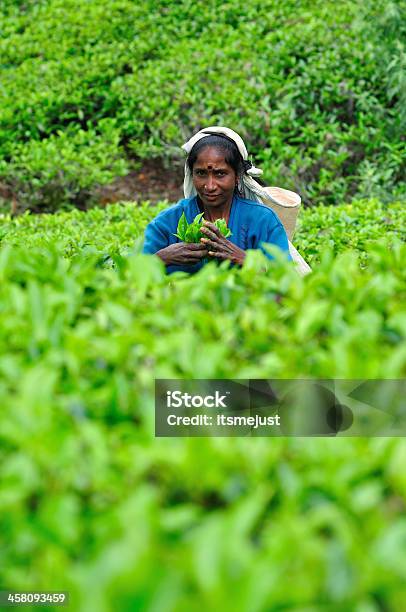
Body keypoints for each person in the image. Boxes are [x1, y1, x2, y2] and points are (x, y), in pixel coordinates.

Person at [143, 126, 308, 275]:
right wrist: (161, 259)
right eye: (201, 173)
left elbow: (283, 279)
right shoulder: (168, 222)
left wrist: (243, 260)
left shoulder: (262, 220)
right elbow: (128, 277)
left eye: (220, 174)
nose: (210, 186)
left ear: (237, 176)